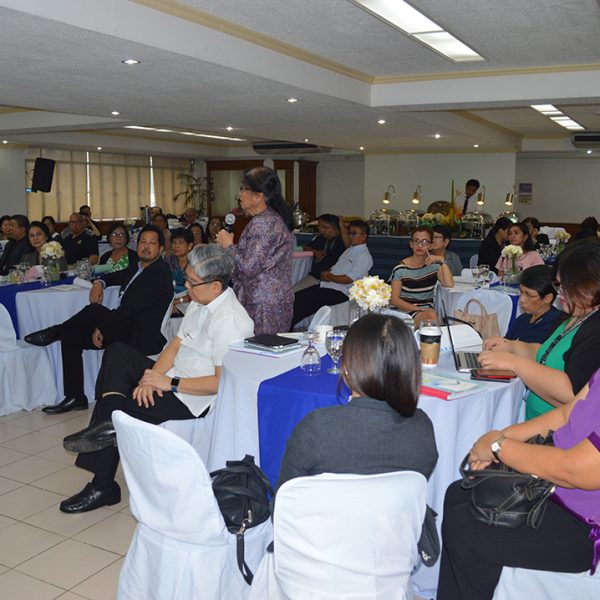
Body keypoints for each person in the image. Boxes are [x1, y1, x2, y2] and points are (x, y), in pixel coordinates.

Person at [59, 245, 254, 513]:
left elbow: (222, 383)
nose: (186, 287)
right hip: (174, 378)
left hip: (191, 398)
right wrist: (150, 379)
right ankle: (109, 421)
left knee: (122, 409)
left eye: (192, 283)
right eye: (187, 279)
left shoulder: (231, 321)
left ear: (216, 286)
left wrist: (168, 384)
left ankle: (103, 484)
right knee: (118, 352)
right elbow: (175, 346)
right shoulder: (200, 302)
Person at [438, 372, 600, 600]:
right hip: (556, 489)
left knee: (466, 530)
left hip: (586, 525)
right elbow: (566, 415)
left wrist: (498, 447)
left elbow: (575, 470)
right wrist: (501, 437)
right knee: (461, 493)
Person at [278, 313, 438, 490]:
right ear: (410, 367)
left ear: (347, 367)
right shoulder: (422, 429)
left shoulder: (316, 428)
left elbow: (285, 498)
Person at [25, 225, 173, 415]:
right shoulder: (137, 267)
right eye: (143, 242)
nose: (146, 246)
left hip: (140, 336)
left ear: (160, 249)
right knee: (70, 337)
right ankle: (75, 397)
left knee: (94, 310)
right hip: (123, 328)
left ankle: (54, 332)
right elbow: (115, 276)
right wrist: (99, 283)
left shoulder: (159, 273)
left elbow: (132, 309)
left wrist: (102, 325)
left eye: (152, 243)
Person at [479, 238, 600, 420]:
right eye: (558, 285)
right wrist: (512, 346)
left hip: (558, 431)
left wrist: (514, 363)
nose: (559, 293)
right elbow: (546, 353)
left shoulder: (595, 327)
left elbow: (572, 394)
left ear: (591, 286)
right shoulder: (576, 315)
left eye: (565, 287)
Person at [217, 166, 295, 335]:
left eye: (243, 189)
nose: (239, 195)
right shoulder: (269, 219)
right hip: (267, 300)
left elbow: (248, 267)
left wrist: (229, 246)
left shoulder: (263, 223)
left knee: (261, 348)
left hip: (262, 303)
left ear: (258, 196)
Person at [291, 220, 372, 329]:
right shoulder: (350, 250)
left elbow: (349, 279)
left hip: (341, 292)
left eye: (354, 233)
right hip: (328, 285)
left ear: (364, 236)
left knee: (302, 303)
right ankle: (285, 327)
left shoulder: (364, 256)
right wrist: (326, 274)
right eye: (349, 233)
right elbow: (337, 268)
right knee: (296, 297)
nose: (350, 236)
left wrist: (329, 276)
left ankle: (284, 327)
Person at [390, 227, 454, 328]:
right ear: (411, 244)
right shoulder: (400, 269)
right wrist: (417, 309)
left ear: (431, 245)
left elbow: (449, 284)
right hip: (404, 310)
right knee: (430, 319)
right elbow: (394, 300)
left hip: (426, 311)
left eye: (425, 242)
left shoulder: (434, 267)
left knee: (430, 318)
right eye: (416, 241)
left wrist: (442, 260)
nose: (420, 245)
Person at [505, 265, 563, 343]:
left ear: (547, 298)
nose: (522, 300)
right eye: (521, 292)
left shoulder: (555, 325)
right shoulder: (523, 319)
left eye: (529, 295)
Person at [293, 213, 348, 292]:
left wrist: (342, 225)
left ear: (336, 229)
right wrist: (314, 252)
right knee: (293, 292)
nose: (321, 229)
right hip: (316, 276)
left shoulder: (342, 241)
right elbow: (302, 247)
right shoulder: (321, 238)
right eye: (320, 226)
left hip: (333, 278)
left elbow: (349, 245)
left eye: (325, 227)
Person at [165, 228, 194, 314]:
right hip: (169, 299)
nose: (176, 246)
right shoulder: (168, 261)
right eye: (174, 242)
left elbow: (199, 290)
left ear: (190, 246)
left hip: (191, 301)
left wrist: (177, 301)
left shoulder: (195, 262)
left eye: (181, 243)